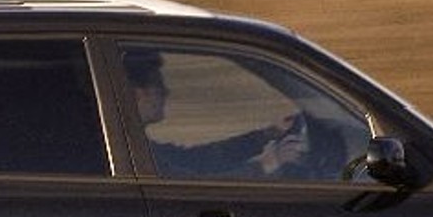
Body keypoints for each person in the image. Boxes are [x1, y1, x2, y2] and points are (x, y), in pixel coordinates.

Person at [124, 49, 309, 180]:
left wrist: (265, 135)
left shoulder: (130, 145)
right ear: (138, 95)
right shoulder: (128, 150)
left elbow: (198, 160)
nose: (166, 92)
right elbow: (192, 188)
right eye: (158, 86)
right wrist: (269, 164)